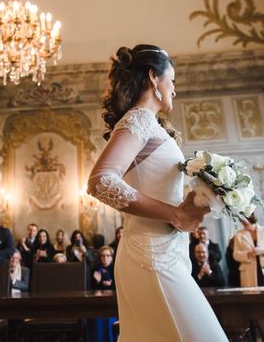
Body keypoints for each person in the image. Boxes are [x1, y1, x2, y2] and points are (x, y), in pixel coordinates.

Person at [87, 44, 226, 341]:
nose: (174, 89)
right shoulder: (139, 119)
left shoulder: (152, 125)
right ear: (153, 78)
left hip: (165, 252)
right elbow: (100, 181)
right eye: (171, 79)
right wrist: (175, 214)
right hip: (149, 256)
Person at [233, 213, 264, 342]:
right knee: (258, 309)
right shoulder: (239, 235)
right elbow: (236, 255)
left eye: (245, 221)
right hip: (251, 273)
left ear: (251, 219)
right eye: (242, 222)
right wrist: (248, 253)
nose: (244, 224)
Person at [90, 246, 118, 342]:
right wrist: (97, 282)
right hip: (99, 304)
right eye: (102, 256)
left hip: (113, 304)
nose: (105, 258)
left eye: (107, 256)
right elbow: (91, 290)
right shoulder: (96, 270)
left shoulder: (116, 270)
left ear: (112, 257)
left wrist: (112, 284)